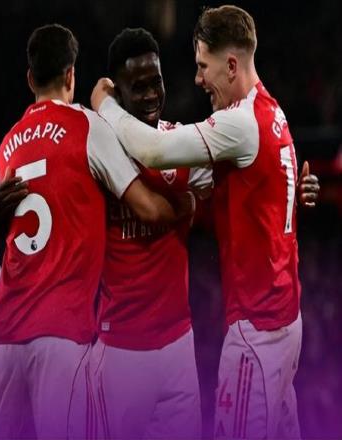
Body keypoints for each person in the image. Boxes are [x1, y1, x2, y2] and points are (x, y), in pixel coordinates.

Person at [91, 5, 319, 439]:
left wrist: (106, 105)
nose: (197, 79)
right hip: (285, 323)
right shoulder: (272, 112)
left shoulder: (240, 124)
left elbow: (154, 151)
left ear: (230, 65)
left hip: (256, 328)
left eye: (202, 66)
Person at [0, 23, 191, 440]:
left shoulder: (7, 146)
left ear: (30, 79)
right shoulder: (88, 127)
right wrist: (185, 207)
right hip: (62, 333)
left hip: (3, 337)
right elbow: (149, 209)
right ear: (71, 74)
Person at [89, 28, 211, 440]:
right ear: (118, 94)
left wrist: (297, 194)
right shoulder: (99, 151)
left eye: (155, 82)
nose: (150, 95)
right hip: (120, 351)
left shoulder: (180, 142)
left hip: (179, 345)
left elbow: (238, 183)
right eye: (137, 87)